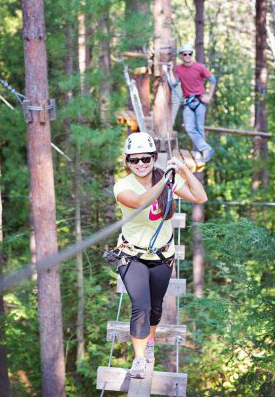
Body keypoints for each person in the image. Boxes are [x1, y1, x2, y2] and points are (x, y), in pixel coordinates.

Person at [113, 132, 207, 378]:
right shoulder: (122, 187)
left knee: (155, 309)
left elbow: (200, 196)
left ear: (154, 157)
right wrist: (166, 179)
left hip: (162, 256)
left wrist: (184, 171)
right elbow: (142, 201)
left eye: (146, 158)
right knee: (141, 306)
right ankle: (140, 358)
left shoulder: (167, 182)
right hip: (131, 256)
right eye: (134, 160)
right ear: (127, 162)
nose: (141, 164)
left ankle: (150, 342)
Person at [168, 43, 216, 163]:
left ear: (192, 54)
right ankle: (205, 149)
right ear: (182, 55)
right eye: (185, 54)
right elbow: (174, 83)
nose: (187, 56)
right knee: (190, 128)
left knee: (200, 129)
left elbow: (212, 80)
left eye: (190, 54)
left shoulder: (199, 67)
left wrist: (209, 96)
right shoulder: (178, 68)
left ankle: (200, 154)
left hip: (199, 101)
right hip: (188, 102)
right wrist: (169, 70)